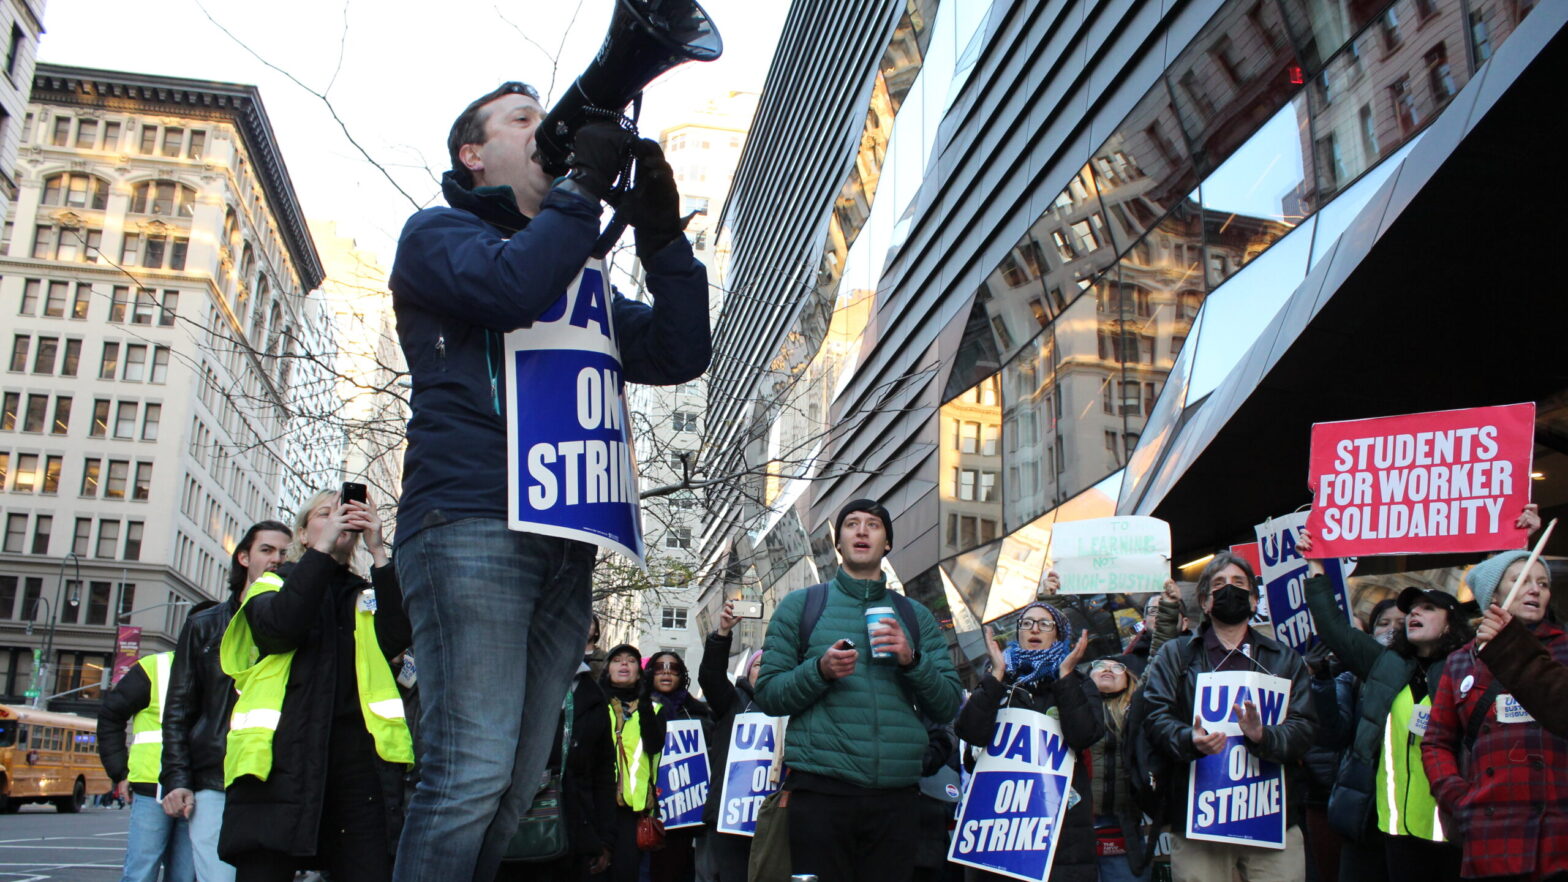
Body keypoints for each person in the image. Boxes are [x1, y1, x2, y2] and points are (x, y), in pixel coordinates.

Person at [388, 81, 710, 882]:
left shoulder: (575, 270)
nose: (547, 132)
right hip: (471, 524)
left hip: (567, 542)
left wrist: (665, 239)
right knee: (466, 774)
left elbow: (679, 351)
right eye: (524, 122)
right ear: (474, 153)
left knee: (508, 783)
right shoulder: (438, 235)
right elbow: (508, 287)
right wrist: (582, 192)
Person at [753, 499, 963, 882]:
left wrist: (912, 660)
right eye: (851, 524)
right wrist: (819, 671)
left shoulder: (916, 617)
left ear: (887, 543)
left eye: (873, 525)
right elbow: (768, 694)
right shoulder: (801, 606)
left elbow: (948, 703)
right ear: (839, 542)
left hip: (896, 798)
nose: (862, 531)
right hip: (820, 794)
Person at [217, 489, 412, 882]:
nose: (338, 518)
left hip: (359, 766)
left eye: (347, 513)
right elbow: (280, 630)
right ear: (304, 534)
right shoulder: (272, 583)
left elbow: (399, 636)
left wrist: (378, 550)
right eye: (326, 514)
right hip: (279, 764)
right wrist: (321, 554)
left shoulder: (368, 593)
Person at [1299, 530, 1474, 882]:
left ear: (1451, 622)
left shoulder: (1469, 667)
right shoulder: (1386, 663)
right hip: (1395, 831)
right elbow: (1333, 628)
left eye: (1428, 608)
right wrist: (1316, 563)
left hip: (1452, 830)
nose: (1414, 613)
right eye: (1411, 609)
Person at [1140, 551, 1317, 882]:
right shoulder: (1177, 654)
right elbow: (1155, 716)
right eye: (1219, 584)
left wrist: (1265, 736)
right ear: (1205, 602)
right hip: (1199, 818)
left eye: (1239, 583)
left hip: (1271, 816)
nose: (1229, 590)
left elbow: (1305, 727)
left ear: (1253, 600)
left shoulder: (1285, 659)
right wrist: (1187, 739)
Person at [1421, 550, 1568, 881]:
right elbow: (1436, 742)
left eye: (1543, 583)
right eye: (1521, 580)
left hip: (1560, 832)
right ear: (1494, 595)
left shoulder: (1564, 649)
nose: (1535, 590)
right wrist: (1458, 798)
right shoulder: (1461, 662)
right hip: (1493, 835)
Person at [162, 520, 291, 882]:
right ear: (244, 557)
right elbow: (179, 709)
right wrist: (176, 778)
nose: (277, 559)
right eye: (267, 550)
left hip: (273, 780)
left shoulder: (299, 624)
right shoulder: (204, 625)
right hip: (214, 781)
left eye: (284, 552)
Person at [955, 603, 1098, 882]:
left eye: (1045, 624)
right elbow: (970, 732)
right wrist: (995, 677)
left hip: (1060, 830)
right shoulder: (999, 680)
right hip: (1000, 825)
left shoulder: (1078, 682)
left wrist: (1065, 679)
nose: (1034, 628)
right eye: (1027, 623)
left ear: (1058, 635)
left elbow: (1084, 735)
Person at [498, 623, 616, 880]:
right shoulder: (512, 683)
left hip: (574, 833)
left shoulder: (592, 695)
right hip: (514, 828)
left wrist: (604, 840)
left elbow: (604, 773)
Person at [99, 645, 198, 882]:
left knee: (182, 875)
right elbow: (111, 716)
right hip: (153, 784)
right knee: (142, 872)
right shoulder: (156, 667)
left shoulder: (226, 665)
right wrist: (120, 772)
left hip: (198, 787)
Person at [696, 601, 764, 882]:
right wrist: (722, 633)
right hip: (730, 817)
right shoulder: (732, 701)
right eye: (760, 664)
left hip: (774, 819)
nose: (766, 669)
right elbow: (711, 676)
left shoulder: (792, 707)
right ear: (747, 671)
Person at [643, 650, 710, 882]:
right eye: (660, 667)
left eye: (673, 669)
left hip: (686, 810)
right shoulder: (637, 709)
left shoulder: (699, 714)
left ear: (682, 676)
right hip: (647, 809)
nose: (666, 673)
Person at [601, 644, 666, 882]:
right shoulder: (594, 703)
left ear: (640, 671)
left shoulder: (655, 708)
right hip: (596, 804)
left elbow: (654, 746)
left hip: (633, 810)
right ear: (607, 668)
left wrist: (645, 702)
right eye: (617, 659)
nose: (624, 664)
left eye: (631, 660)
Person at [1087, 656, 1154, 882]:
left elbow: (1154, 661)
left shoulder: (1138, 711)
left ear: (1128, 679)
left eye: (1117, 667)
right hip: (1078, 822)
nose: (1107, 669)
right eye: (1099, 665)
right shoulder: (1071, 712)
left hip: (1123, 823)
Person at [1475, 605, 1568, 737]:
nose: (1535, 590)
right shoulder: (1460, 659)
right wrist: (1509, 642)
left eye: (1542, 584)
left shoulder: (1563, 643)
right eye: (1517, 582)